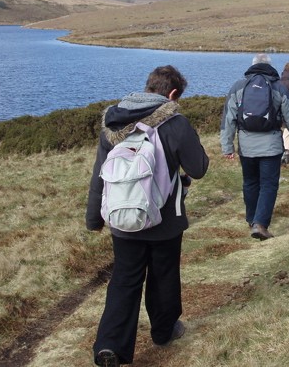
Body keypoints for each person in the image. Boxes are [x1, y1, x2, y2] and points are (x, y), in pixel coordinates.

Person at [86, 65, 210, 367]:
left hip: (122, 219)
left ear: (147, 87)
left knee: (124, 280)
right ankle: (164, 332)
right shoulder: (175, 123)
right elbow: (199, 168)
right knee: (163, 275)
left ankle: (110, 345)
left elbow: (100, 174)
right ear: (171, 94)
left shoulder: (114, 122)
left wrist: (94, 218)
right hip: (164, 220)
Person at [220, 53, 289, 240]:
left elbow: (228, 119)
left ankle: (252, 220)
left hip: (246, 147)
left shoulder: (238, 86)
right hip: (271, 146)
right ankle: (260, 224)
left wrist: (227, 147)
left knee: (250, 182)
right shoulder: (279, 87)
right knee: (268, 185)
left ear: (252, 66)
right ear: (270, 66)